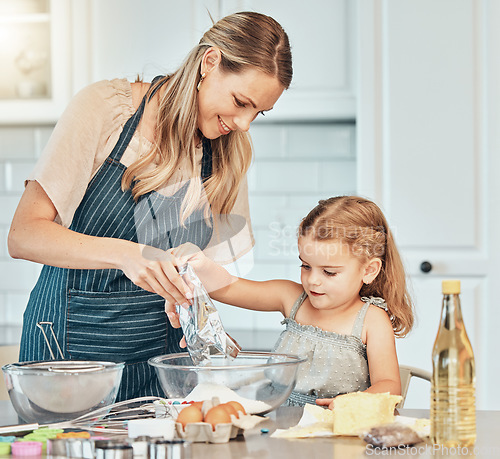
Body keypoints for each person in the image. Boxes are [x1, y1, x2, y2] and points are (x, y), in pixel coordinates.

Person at [7, 11, 293, 401]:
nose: (245, 123)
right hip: (70, 354)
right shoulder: (105, 109)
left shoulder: (230, 154)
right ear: (209, 62)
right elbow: (23, 235)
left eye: (258, 112)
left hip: (161, 363)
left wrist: (201, 321)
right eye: (241, 102)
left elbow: (203, 275)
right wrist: (127, 254)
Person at [170, 196, 415, 407]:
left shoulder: (371, 320)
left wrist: (352, 403)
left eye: (329, 272)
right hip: (272, 419)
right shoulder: (291, 297)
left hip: (334, 429)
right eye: (306, 266)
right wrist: (201, 265)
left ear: (369, 270)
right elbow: (230, 287)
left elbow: (389, 386)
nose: (313, 281)